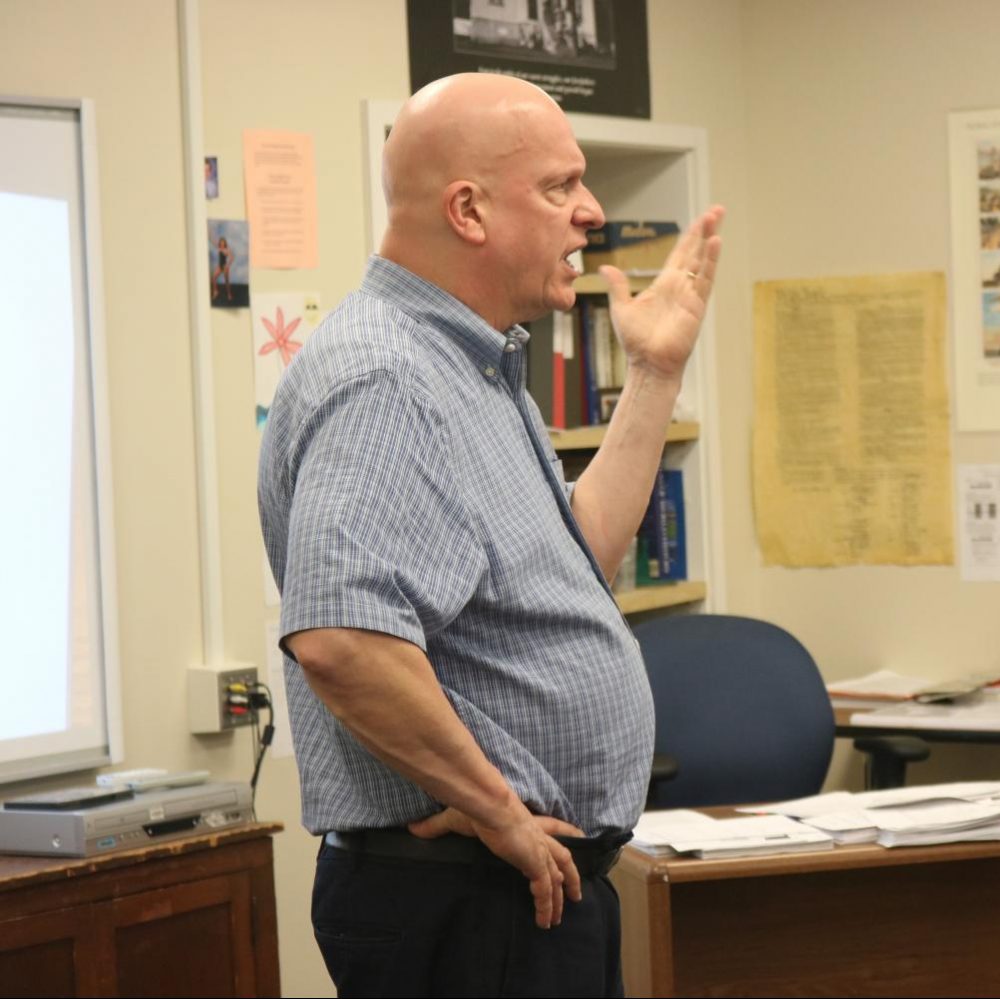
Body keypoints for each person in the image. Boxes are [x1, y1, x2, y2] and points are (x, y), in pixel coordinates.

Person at [257, 71, 722, 998]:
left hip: (517, 893)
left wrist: (654, 373)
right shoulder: (390, 378)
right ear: (468, 210)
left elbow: (574, 561)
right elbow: (342, 641)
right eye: (559, 186)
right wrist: (499, 808)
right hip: (468, 900)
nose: (590, 213)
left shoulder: (469, 364)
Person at [210, 234, 234, 301]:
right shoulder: (219, 248)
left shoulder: (227, 250)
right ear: (220, 243)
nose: (222, 244)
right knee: (213, 278)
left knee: (227, 281)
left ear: (225, 243)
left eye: (223, 243)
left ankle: (229, 294)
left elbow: (232, 258)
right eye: (221, 243)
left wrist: (228, 265)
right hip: (219, 266)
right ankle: (215, 291)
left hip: (225, 267)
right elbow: (213, 242)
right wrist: (209, 235)